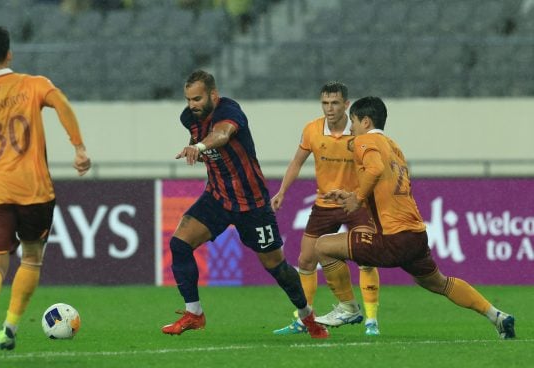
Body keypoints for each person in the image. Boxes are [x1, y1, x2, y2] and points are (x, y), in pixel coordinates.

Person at [312, 96, 516, 339]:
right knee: (438, 282)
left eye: (353, 121)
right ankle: (498, 317)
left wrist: (356, 198)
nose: (351, 127)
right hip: (415, 235)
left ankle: (348, 308)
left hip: (393, 237)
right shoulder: (393, 147)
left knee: (323, 246)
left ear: (366, 121)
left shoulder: (365, 140)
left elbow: (374, 170)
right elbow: (384, 186)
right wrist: (352, 194)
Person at [0, 27, 91, 356]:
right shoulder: (34, 84)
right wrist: (79, 148)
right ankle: (9, 329)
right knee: (31, 258)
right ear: (9, 54)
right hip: (36, 192)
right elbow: (63, 105)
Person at [162, 70, 328, 339]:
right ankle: (194, 314)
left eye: (197, 98)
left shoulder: (229, 110)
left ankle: (308, 317)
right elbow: (211, 151)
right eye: (188, 99)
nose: (191, 105)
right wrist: (196, 150)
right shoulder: (188, 119)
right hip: (217, 197)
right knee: (179, 244)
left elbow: (223, 135)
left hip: (252, 204)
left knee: (278, 268)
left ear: (213, 96)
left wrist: (200, 147)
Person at [271, 82, 381, 337]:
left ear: (346, 104)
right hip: (324, 204)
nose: (329, 108)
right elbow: (296, 162)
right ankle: (303, 319)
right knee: (306, 260)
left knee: (366, 259)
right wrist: (282, 191)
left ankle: (371, 320)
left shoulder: (360, 132)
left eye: (335, 103)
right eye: (325, 103)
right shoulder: (312, 130)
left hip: (356, 203)